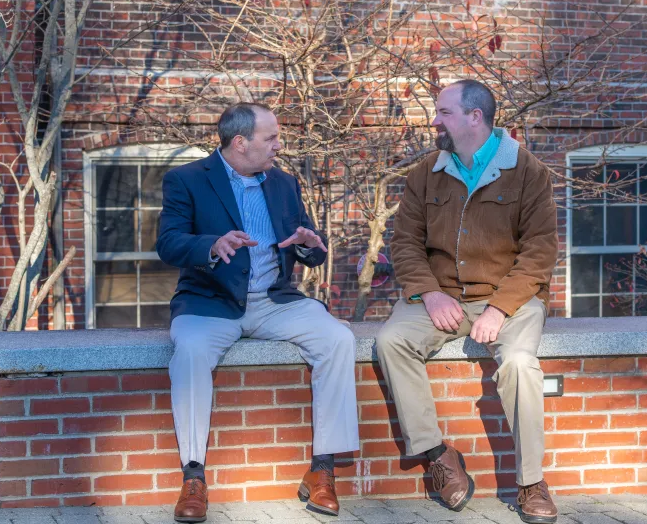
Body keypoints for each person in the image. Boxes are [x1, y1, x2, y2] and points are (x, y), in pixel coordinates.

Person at [156, 102, 359, 523]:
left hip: (274, 301)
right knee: (190, 351)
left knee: (338, 338)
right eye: (271, 138)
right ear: (240, 142)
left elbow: (308, 248)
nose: (278, 146)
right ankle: (193, 477)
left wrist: (309, 245)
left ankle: (322, 470)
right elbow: (169, 243)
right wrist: (211, 245)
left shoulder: (283, 183)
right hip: (210, 303)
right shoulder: (187, 179)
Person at [376, 80, 558, 524]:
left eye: (443, 112)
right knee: (391, 341)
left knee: (519, 364)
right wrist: (429, 292)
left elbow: (539, 252)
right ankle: (437, 456)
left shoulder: (527, 171)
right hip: (441, 295)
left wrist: (499, 308)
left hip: (510, 297)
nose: (434, 121)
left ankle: (531, 482)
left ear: (475, 117)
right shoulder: (426, 172)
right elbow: (405, 243)